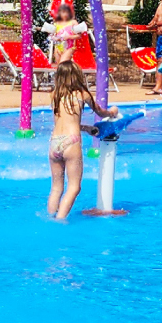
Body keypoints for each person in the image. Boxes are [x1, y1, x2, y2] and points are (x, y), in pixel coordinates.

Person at [47, 60, 118, 220]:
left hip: (54, 143)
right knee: (74, 187)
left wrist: (86, 128)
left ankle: (50, 217)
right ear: (77, 76)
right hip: (71, 143)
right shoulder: (82, 93)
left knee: (56, 188)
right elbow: (100, 112)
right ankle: (60, 220)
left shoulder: (54, 94)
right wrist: (112, 112)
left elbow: (64, 121)